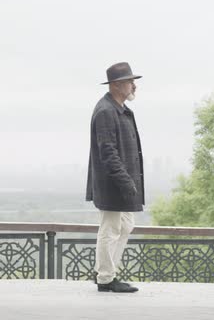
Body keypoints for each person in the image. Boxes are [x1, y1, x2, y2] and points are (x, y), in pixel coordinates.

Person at [86, 62, 145, 293]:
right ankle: (105, 278)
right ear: (117, 85)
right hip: (113, 184)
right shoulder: (106, 111)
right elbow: (108, 152)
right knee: (110, 229)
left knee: (125, 225)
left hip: (121, 183)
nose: (134, 86)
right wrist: (125, 180)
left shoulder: (119, 108)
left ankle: (105, 270)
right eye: (130, 82)